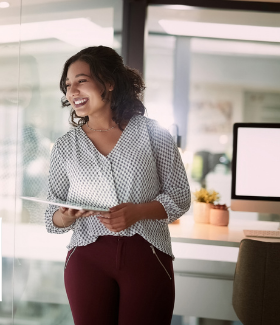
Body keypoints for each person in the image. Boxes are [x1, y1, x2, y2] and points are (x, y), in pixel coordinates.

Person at [44, 46, 191, 325]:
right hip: (86, 260)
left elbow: (180, 197)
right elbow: (51, 219)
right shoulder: (65, 146)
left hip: (147, 256)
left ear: (108, 83)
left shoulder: (153, 133)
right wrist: (66, 215)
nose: (72, 91)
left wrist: (136, 212)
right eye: (67, 85)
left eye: (81, 81)